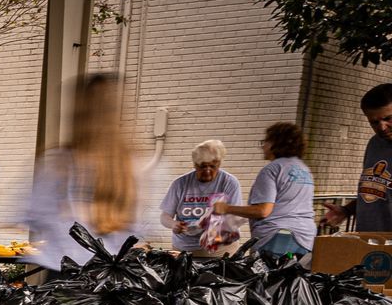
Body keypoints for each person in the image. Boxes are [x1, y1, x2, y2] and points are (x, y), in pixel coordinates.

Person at [23, 73, 138, 271]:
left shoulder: (57, 162)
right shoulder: (134, 165)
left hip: (64, 270)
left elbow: (33, 214)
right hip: (111, 277)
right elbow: (140, 228)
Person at [215, 122, 317, 260]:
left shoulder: (273, 169)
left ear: (276, 143)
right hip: (305, 238)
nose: (263, 146)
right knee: (295, 280)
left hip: (277, 238)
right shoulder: (304, 170)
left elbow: (263, 211)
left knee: (270, 280)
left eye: (266, 141)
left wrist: (225, 208)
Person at [324, 83, 392, 233]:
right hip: (368, 241)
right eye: (374, 122)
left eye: (388, 118)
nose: (382, 127)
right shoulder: (375, 143)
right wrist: (346, 210)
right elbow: (376, 191)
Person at [159, 140, 242, 254]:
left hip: (220, 248)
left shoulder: (229, 182)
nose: (208, 171)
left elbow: (233, 217)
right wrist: (174, 224)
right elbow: (165, 216)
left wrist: (212, 229)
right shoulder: (180, 184)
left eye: (213, 166)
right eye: (202, 166)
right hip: (185, 247)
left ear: (219, 164)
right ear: (194, 164)